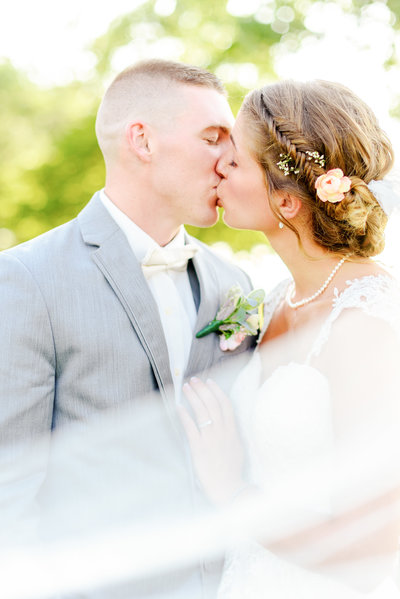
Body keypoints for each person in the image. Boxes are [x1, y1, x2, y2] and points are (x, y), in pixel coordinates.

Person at [0, 59, 256, 598]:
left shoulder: (234, 283)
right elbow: (10, 486)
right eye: (213, 138)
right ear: (142, 141)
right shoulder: (26, 278)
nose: (230, 159)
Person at [179, 80, 400, 597]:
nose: (217, 168)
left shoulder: (367, 323)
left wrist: (232, 492)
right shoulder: (278, 298)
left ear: (286, 200)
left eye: (233, 161)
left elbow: (374, 549)